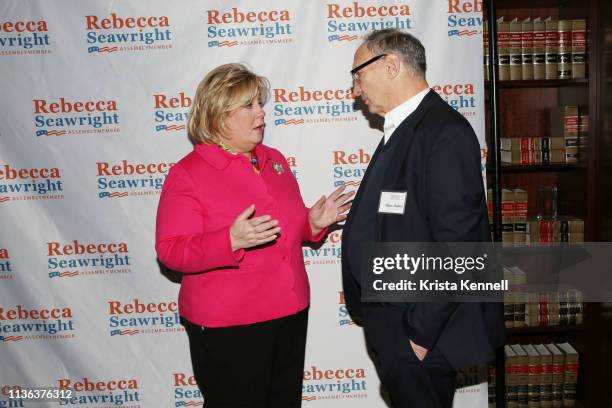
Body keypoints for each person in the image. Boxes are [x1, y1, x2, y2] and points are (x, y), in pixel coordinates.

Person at [155, 63, 352, 408]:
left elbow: (283, 227)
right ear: (218, 116)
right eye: (249, 106)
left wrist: (313, 224)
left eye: (260, 103)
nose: (262, 113)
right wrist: (228, 241)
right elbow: (170, 251)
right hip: (230, 324)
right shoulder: (188, 173)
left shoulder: (273, 160)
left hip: (289, 312)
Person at [341, 29, 506, 407]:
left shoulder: (443, 132)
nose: (354, 89)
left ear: (392, 65)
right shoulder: (403, 128)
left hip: (419, 330)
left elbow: (460, 247)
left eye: (357, 75)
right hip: (393, 320)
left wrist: (418, 336)